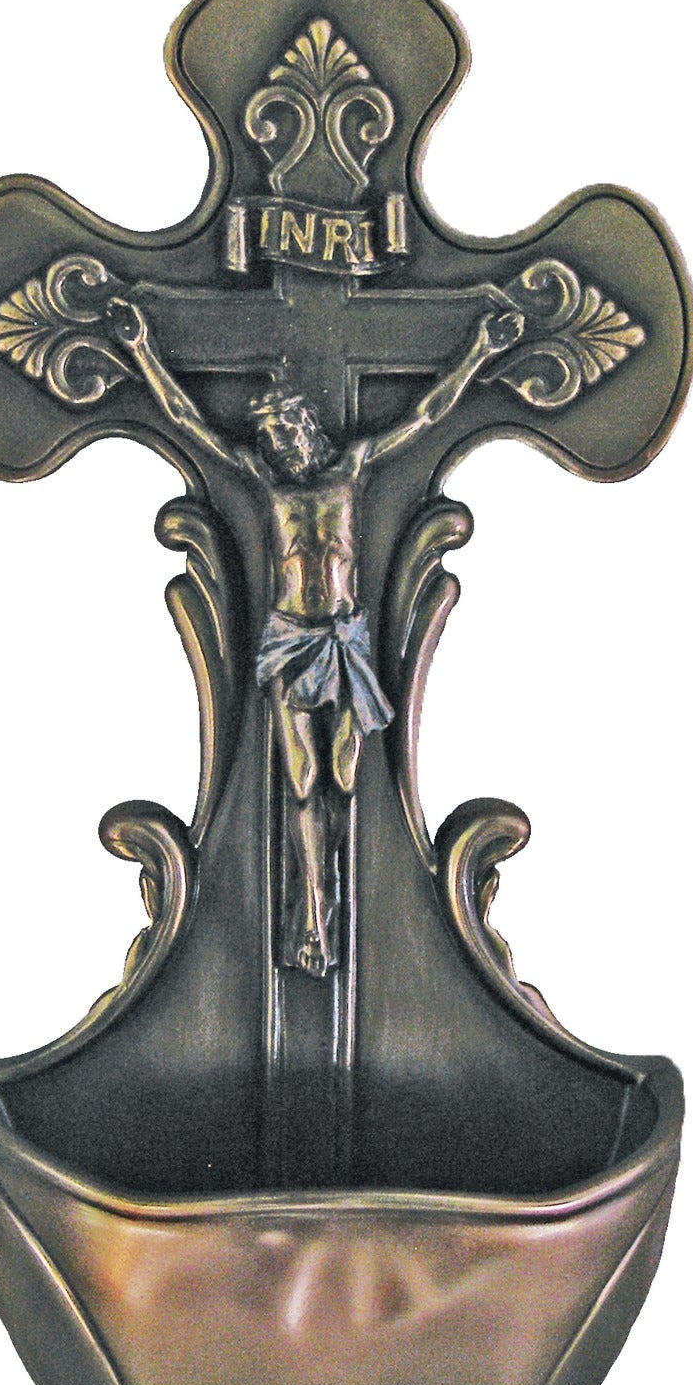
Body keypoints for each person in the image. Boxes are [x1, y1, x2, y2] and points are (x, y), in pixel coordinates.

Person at [103, 295, 524, 977]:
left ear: (304, 426)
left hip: (345, 640)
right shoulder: (268, 484)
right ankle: (315, 910)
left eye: (284, 433)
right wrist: (141, 348)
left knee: (346, 776)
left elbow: (427, 414)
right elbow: (186, 419)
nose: (278, 446)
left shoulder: (351, 469)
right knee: (302, 780)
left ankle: (334, 889)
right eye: (270, 438)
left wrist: (482, 349)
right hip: (289, 639)